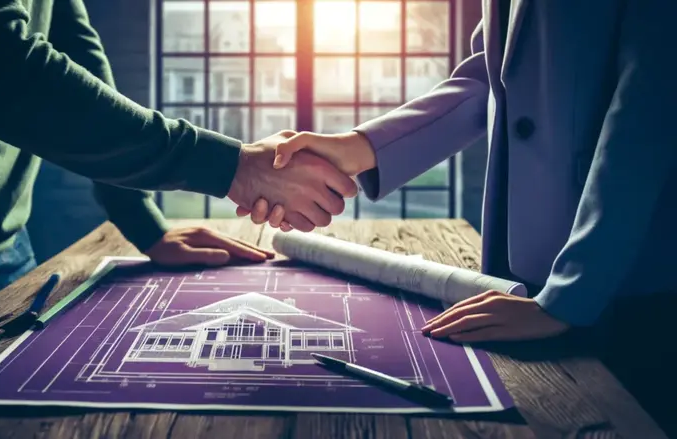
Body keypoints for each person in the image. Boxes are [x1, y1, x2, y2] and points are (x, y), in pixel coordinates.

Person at [239, 1, 677, 433]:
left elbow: (649, 111)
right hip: (521, 272)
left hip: (620, 279)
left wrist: (570, 296)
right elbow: (488, 76)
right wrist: (359, 147)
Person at [0, 0, 357, 348]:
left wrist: (141, 220)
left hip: (3, 242)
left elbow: (78, 54)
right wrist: (232, 167)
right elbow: (1, 65)